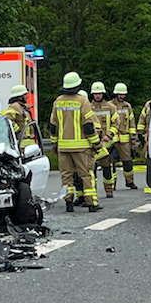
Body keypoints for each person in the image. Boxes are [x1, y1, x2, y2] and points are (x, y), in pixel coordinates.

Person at [49, 72, 105, 213]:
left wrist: (55, 145)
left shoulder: (58, 101)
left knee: (66, 176)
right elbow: (88, 126)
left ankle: (69, 203)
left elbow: (53, 126)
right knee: (86, 174)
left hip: (63, 147)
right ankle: (92, 203)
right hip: (81, 147)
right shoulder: (82, 101)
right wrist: (96, 143)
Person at [89, 81, 120, 198]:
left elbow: (117, 123)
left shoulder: (110, 107)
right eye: (95, 94)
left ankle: (109, 189)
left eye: (99, 93)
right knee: (92, 169)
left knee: (107, 168)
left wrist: (110, 135)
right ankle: (93, 190)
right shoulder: (88, 107)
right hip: (93, 144)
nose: (97, 96)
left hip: (106, 144)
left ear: (103, 94)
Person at [112, 82, 138, 189]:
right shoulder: (110, 106)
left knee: (127, 161)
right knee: (111, 162)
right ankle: (112, 183)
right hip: (112, 138)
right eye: (120, 94)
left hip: (124, 138)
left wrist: (133, 137)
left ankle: (129, 181)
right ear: (116, 94)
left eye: (123, 95)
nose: (122, 96)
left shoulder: (128, 106)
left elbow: (131, 122)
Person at [1, 85, 35, 151]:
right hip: (21, 145)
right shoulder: (14, 107)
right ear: (19, 97)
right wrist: (18, 131)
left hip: (28, 144)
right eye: (25, 94)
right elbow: (7, 119)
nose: (27, 96)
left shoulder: (22, 107)